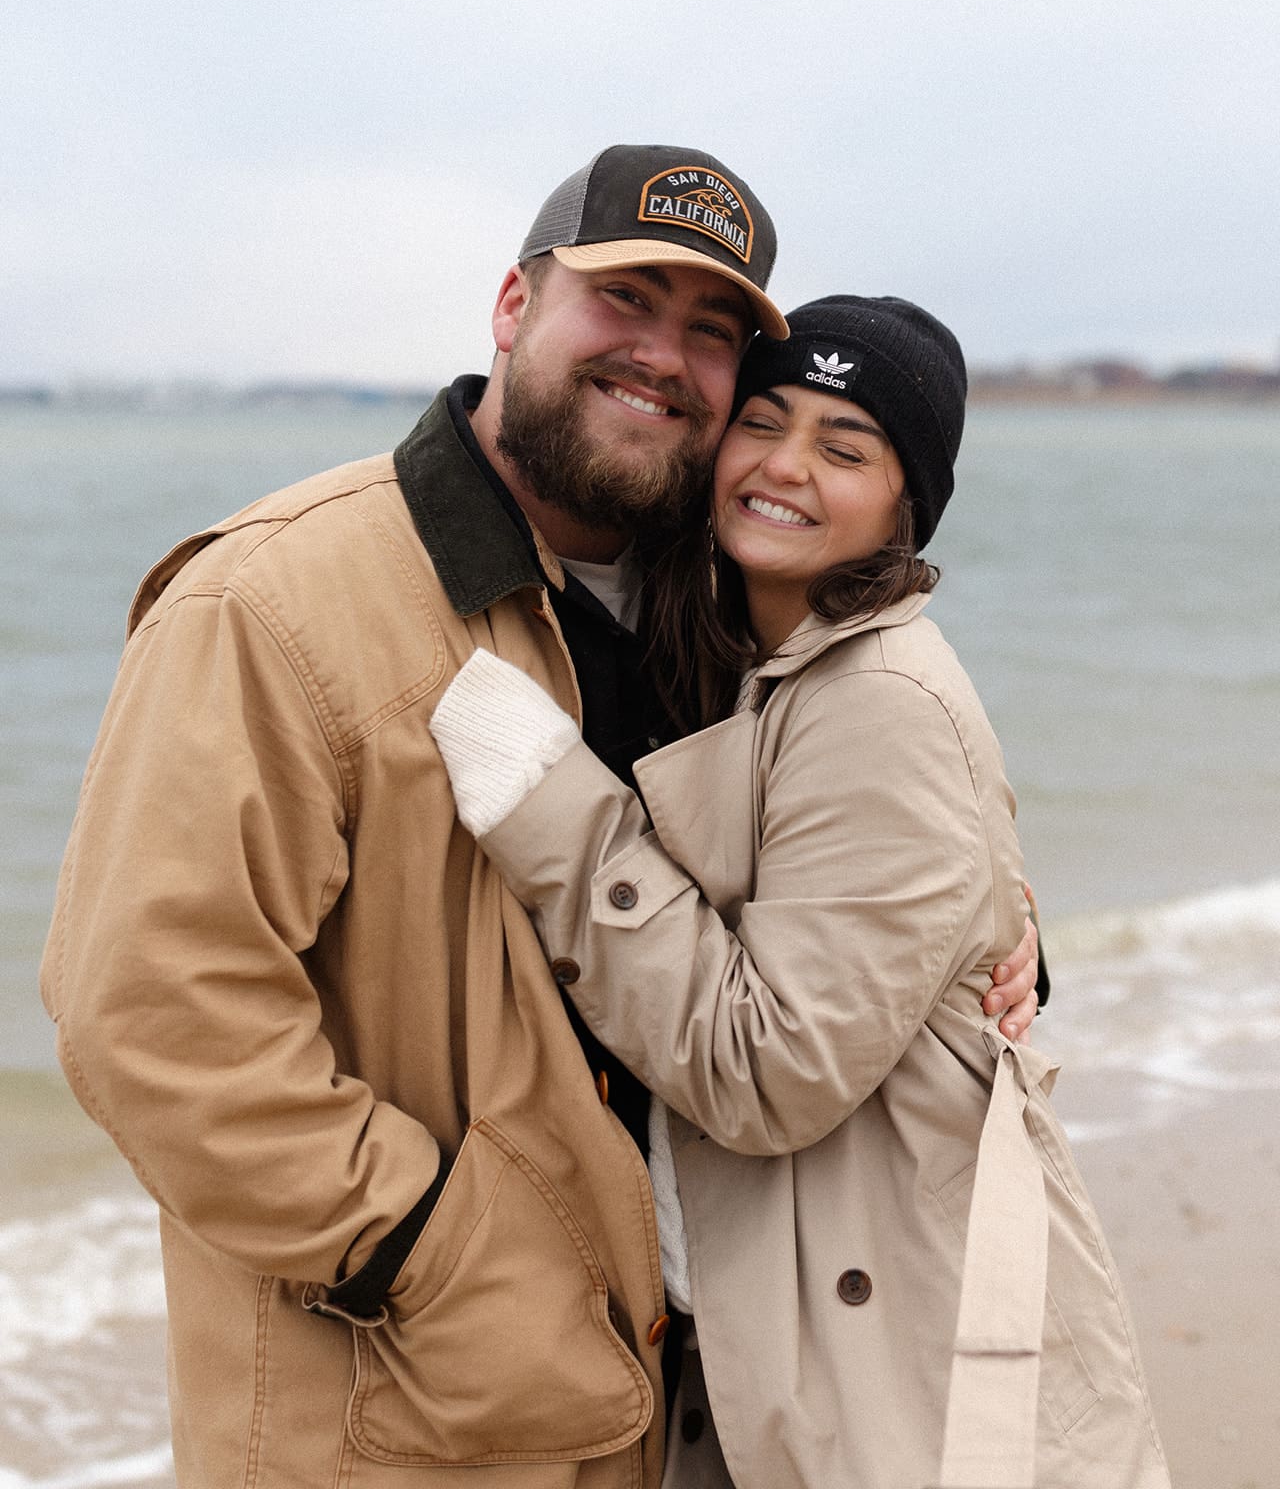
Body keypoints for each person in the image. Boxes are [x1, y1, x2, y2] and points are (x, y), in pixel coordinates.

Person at [41, 150, 1040, 1489]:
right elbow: (153, 1016)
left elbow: (865, 822)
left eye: (712, 332)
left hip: (689, 1405)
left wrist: (994, 932)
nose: (663, 358)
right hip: (405, 1418)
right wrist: (438, 1255)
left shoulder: (725, 600)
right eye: (626, 300)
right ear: (514, 304)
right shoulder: (274, 601)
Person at [428, 296, 1169, 1487]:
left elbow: (766, 1072)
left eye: (843, 447)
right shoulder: (742, 655)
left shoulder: (874, 698)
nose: (782, 467)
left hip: (899, 1371)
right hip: (774, 1329)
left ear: (902, 503)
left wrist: (542, 799)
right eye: (763, 421)